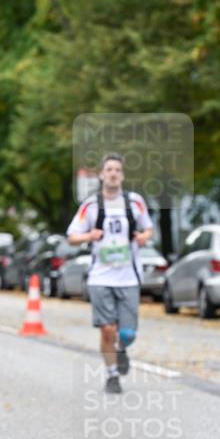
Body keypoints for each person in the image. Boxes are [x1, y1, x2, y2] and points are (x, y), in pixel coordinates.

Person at [66, 154, 154, 394]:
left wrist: (144, 237)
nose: (113, 173)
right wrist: (89, 236)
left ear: (122, 175)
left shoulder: (135, 202)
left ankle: (122, 349)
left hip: (129, 277)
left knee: (127, 334)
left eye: (117, 170)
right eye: (109, 169)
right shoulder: (90, 205)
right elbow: (72, 236)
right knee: (107, 329)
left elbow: (148, 228)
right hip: (100, 277)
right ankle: (112, 375)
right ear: (102, 175)